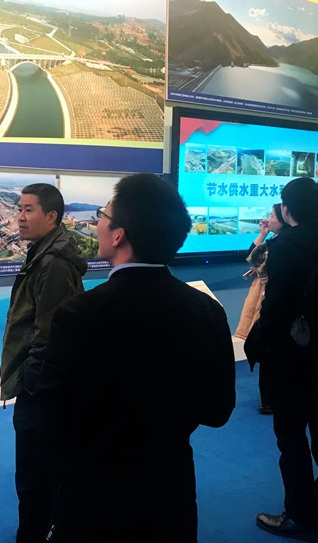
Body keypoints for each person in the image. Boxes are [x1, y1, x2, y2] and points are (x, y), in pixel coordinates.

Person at [33, 173, 236, 543]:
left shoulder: (79, 314)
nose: (97, 223)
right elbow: (218, 410)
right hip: (170, 493)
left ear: (119, 235)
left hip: (95, 495)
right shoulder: (206, 310)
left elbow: (50, 416)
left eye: (102, 215)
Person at [247, 177, 318, 541]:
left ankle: (300, 516)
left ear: (286, 208)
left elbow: (277, 306)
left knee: (291, 435)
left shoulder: (287, 245)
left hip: (290, 354)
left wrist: (259, 346)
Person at [0, 182, 87, 543]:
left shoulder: (53, 263)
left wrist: (33, 389)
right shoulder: (43, 253)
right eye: (19, 209)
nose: (20, 217)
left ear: (51, 217)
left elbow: (48, 335)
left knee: (36, 479)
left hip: (40, 392)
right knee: (38, 477)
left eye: (29, 210)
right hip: (39, 387)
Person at [235, 203, 290, 414]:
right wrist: (263, 233)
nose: (268, 219)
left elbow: (253, 256)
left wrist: (263, 235)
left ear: (284, 217)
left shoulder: (281, 244)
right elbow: (253, 256)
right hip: (267, 297)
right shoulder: (276, 241)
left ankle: (269, 399)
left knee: (269, 349)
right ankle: (270, 397)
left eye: (272, 216)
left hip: (270, 299)